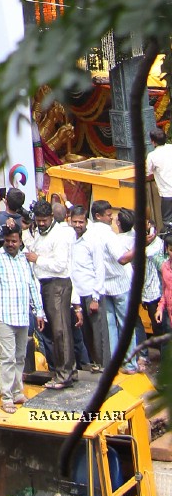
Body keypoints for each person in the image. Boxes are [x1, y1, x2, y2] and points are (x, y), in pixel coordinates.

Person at [0, 223, 46, 411]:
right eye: (7, 241)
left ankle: (17, 392)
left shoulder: (24, 260)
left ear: (20, 241)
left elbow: (32, 285)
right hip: (2, 316)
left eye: (14, 241)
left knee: (20, 356)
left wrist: (39, 311)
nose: (10, 244)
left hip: (22, 316)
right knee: (7, 357)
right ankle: (6, 397)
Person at [26, 198, 76, 389]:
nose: (41, 224)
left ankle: (64, 375)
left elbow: (60, 265)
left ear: (51, 217)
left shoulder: (60, 235)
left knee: (60, 330)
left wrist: (37, 259)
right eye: (38, 220)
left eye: (44, 220)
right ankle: (67, 370)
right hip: (45, 285)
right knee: (58, 330)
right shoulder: (39, 233)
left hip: (57, 285)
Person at [101, 208, 138, 370]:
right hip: (122, 285)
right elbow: (124, 259)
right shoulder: (131, 238)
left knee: (110, 327)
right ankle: (130, 363)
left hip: (105, 286)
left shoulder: (106, 237)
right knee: (126, 325)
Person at [69, 204, 105, 371]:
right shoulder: (69, 238)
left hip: (91, 293)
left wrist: (96, 297)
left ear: (86, 221)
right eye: (75, 222)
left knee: (96, 333)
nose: (78, 225)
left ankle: (101, 364)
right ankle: (88, 363)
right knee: (82, 333)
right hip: (76, 294)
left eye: (80, 222)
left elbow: (99, 269)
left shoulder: (92, 240)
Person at [147, 131, 172, 230]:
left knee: (167, 222)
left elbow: (148, 174)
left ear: (153, 142)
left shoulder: (152, 156)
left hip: (167, 195)